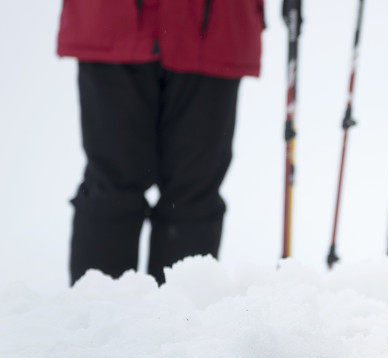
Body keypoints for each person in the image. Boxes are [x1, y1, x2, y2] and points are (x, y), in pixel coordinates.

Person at [58, 1, 267, 284]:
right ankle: (98, 320)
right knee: (113, 187)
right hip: (116, 21)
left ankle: (178, 323)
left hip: (214, 23)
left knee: (191, 193)